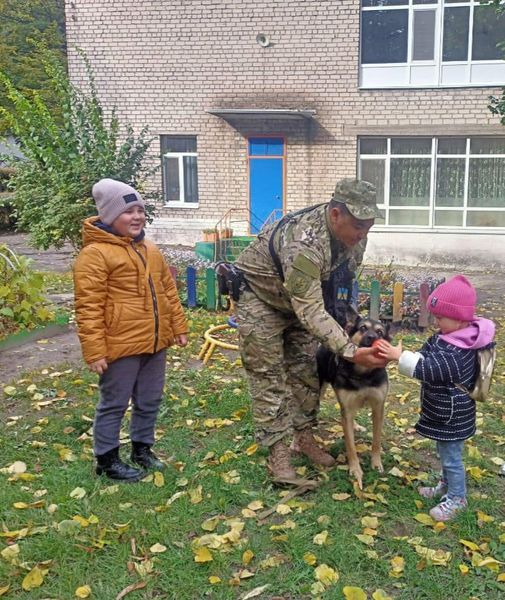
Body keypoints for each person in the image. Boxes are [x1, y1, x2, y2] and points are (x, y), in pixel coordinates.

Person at [234, 178, 386, 483]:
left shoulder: (354, 236)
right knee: (269, 377)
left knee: (306, 372)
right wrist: (351, 350)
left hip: (300, 304)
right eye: (358, 225)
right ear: (335, 214)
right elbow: (310, 310)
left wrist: (341, 320)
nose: (363, 233)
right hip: (263, 299)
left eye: (368, 226)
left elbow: (338, 282)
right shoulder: (304, 242)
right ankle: (278, 451)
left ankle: (303, 438)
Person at [74, 178, 188, 482]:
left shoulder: (150, 249)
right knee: (114, 403)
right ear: (110, 216)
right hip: (120, 345)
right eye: (128, 211)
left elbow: (168, 290)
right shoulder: (95, 254)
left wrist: (178, 326)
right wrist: (95, 350)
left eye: (140, 210)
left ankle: (142, 450)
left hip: (155, 342)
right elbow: (88, 306)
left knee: (149, 399)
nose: (136, 216)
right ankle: (107, 459)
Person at [376, 275, 495, 521]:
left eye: (440, 317)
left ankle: (457, 498)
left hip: (453, 414)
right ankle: (445, 486)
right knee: (444, 453)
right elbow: (426, 354)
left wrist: (400, 357)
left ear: (461, 318)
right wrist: (410, 355)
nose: (436, 322)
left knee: (451, 458)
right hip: (443, 410)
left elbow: (431, 369)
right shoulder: (447, 337)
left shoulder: (459, 349)